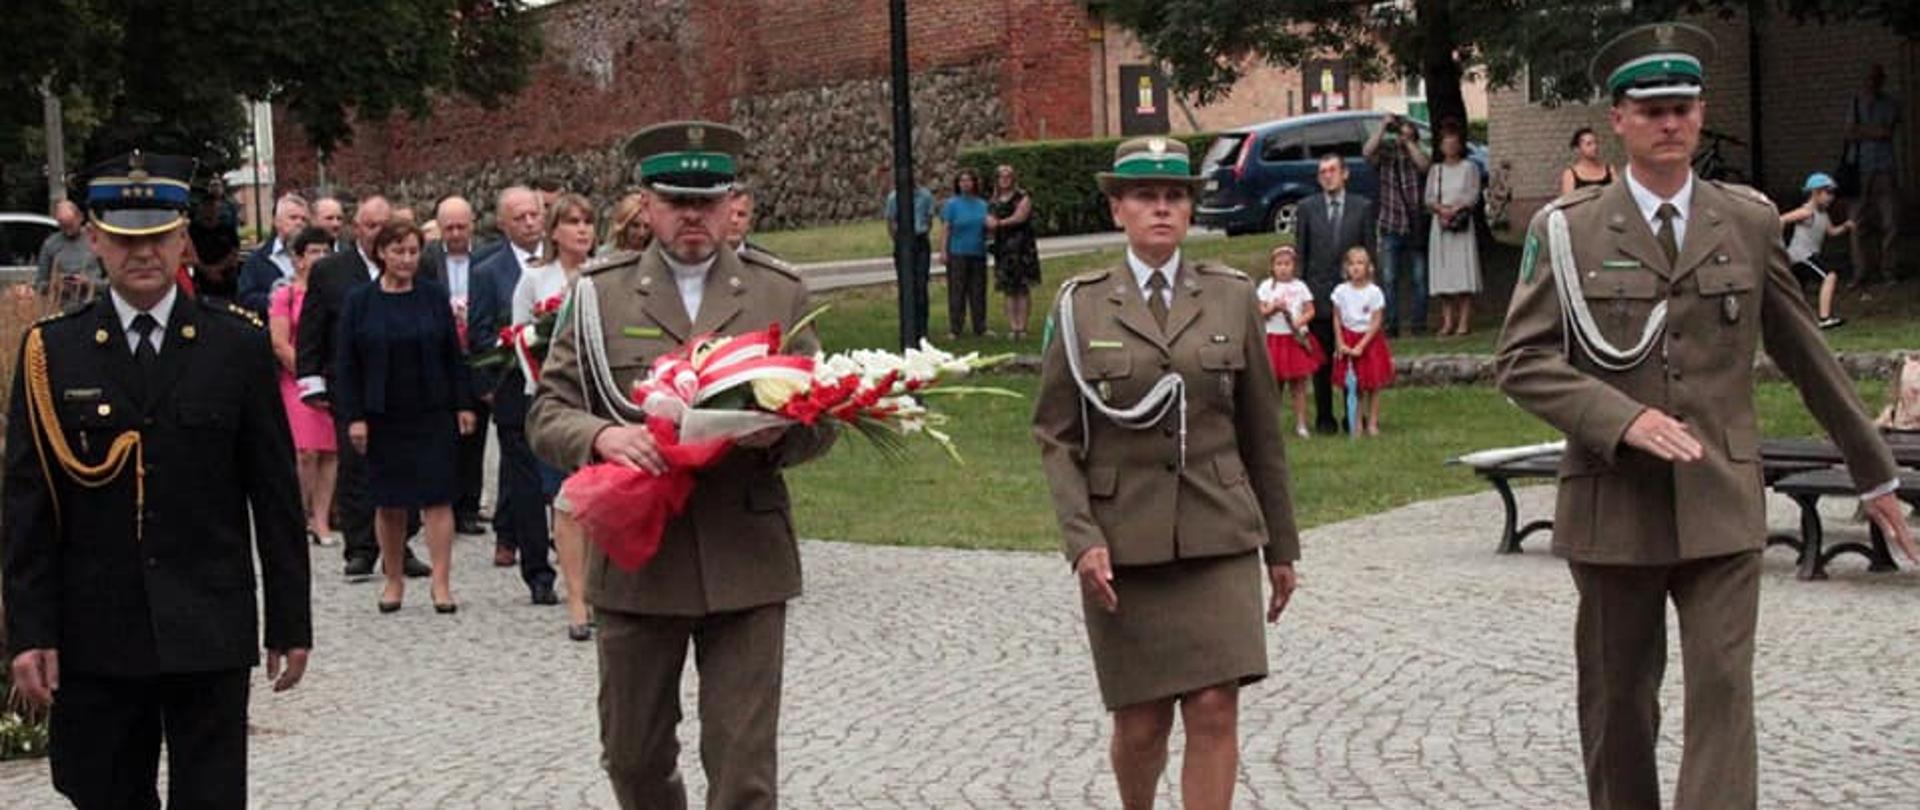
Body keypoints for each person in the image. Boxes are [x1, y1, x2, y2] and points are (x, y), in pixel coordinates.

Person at [1495, 23, 1918, 810]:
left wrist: (1876, 474)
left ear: (1700, 112)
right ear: (1618, 119)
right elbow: (1520, 360)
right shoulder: (1569, 228)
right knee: (1619, 703)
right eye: (1651, 109)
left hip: (1721, 498)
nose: (1671, 123)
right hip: (1613, 498)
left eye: (1684, 107)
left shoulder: (1749, 221)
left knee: (1724, 693)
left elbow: (1808, 358)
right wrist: (1620, 418)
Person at [528, 120, 835, 810]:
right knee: (633, 756)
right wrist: (603, 436)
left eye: (708, 200)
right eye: (676, 201)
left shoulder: (777, 292)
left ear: (733, 205)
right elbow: (548, 412)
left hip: (745, 551)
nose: (693, 216)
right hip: (640, 557)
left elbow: (826, 419)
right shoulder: (599, 293)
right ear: (647, 204)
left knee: (744, 770)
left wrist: (777, 436)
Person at [3, 150, 310, 809]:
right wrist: (30, 630)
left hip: (208, 620)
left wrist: (290, 618)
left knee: (211, 797)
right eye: (123, 239)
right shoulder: (52, 352)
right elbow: (27, 503)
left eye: (157, 238)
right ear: (94, 241)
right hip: (96, 627)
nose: (142, 254)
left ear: (182, 241)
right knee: (103, 791)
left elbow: (275, 494)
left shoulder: (237, 346)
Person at [1033, 136, 1300, 810]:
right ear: (1117, 207)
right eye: (1145, 196)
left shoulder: (1232, 297)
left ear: (1190, 209)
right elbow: (1056, 436)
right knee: (1142, 719)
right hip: (1125, 540)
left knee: (1214, 706)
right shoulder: (1079, 306)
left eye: (1175, 196)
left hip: (1219, 529)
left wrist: (1282, 548)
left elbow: (1262, 433)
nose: (1161, 208)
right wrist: (1081, 538)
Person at [336, 220, 477, 614]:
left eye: (413, 251)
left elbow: (454, 354)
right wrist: (355, 417)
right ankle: (394, 579)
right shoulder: (360, 301)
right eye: (398, 251)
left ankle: (441, 583)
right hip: (382, 414)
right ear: (382, 252)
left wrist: (463, 403)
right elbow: (347, 364)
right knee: (389, 501)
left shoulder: (433, 297)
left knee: (438, 497)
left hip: (431, 410)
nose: (406, 259)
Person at [297, 194, 431, 579]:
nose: (378, 234)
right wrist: (312, 380)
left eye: (384, 226)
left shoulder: (414, 267)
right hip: (349, 383)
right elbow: (313, 327)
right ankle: (360, 546)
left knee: (401, 463)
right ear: (358, 228)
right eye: (371, 226)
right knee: (356, 467)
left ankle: (400, 545)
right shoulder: (332, 271)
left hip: (402, 384)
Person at [511, 192, 597, 637]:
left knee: (601, 498)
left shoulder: (605, 275)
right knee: (565, 500)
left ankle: (601, 586)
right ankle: (577, 599)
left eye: (587, 222)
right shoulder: (535, 278)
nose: (581, 230)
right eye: (572, 222)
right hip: (553, 397)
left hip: (599, 401)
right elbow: (520, 336)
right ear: (555, 231)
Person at [469, 186, 550, 577]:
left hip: (564, 387)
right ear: (503, 224)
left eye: (534, 214)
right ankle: (535, 567)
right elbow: (480, 332)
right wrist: (514, 352)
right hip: (515, 388)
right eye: (520, 217)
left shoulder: (563, 262)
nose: (530, 222)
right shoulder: (488, 272)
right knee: (525, 477)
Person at [1294, 154, 1377, 433]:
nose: (1327, 176)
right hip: (1318, 296)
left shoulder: (1362, 207)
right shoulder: (1307, 208)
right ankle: (1325, 417)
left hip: (1353, 299)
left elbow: (1369, 251)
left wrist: (1370, 291)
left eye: (1332, 170)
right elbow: (1302, 255)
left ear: (1345, 174)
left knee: (1352, 357)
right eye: (1322, 172)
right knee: (1322, 361)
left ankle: (1353, 414)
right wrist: (1302, 299)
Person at [271, 227, 342, 547]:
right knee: (306, 451)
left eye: (326, 251)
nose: (321, 258)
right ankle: (297, 513)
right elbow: (279, 342)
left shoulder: (334, 291)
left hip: (331, 378)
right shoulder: (285, 294)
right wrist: (308, 372)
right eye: (313, 252)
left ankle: (322, 519)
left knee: (330, 452)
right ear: (298, 259)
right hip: (296, 379)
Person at [423, 195, 489, 535]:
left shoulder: (487, 256)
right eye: (448, 227)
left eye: (461, 226)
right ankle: (441, 500)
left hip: (477, 354)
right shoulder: (427, 259)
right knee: (443, 432)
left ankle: (469, 506)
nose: (455, 233)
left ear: (472, 224)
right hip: (442, 354)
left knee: (476, 435)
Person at [1363, 113, 1431, 337]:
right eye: (1400, 133)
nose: (1401, 138)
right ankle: (1391, 325)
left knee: (1419, 278)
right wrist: (1383, 127)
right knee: (1389, 278)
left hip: (1414, 227)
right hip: (1390, 224)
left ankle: (1419, 324)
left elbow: (1424, 165)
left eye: (1407, 133)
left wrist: (1408, 143)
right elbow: (1367, 152)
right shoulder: (1385, 158)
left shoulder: (1417, 155)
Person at [1257, 245, 1321, 438]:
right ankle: (1271, 425)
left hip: (1294, 340)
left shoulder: (1300, 287)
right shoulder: (1266, 287)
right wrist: (1273, 308)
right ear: (1272, 267)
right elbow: (1259, 311)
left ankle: (1301, 424)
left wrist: (1300, 320)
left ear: (1294, 266)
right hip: (1274, 339)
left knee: (1299, 385)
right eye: (1279, 264)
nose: (1283, 268)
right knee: (1273, 386)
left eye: (1287, 264)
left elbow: (1310, 310)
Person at [1845, 63, 1901, 286]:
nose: (1873, 82)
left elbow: (1887, 131)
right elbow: (1849, 133)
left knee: (1890, 221)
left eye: (1877, 78)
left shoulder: (1889, 104)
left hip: (1884, 168)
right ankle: (1860, 272)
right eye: (1870, 78)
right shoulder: (1856, 103)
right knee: (1856, 222)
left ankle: (1889, 270)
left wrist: (1863, 131)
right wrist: (1873, 132)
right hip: (1859, 167)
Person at [1426, 126, 1483, 337]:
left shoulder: (1470, 168)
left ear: (1460, 145)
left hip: (1461, 223)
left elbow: (1474, 194)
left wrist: (1457, 208)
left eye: (1454, 143)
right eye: (1446, 143)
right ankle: (1447, 321)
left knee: (1462, 273)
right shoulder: (1436, 170)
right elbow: (1429, 198)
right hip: (1440, 224)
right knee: (1444, 274)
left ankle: (1464, 321)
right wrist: (1441, 210)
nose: (1450, 147)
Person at [1330, 246, 1394, 434]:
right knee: (1354, 385)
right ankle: (1356, 422)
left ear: (1368, 267)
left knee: (1373, 384)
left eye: (1360, 263)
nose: (1356, 267)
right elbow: (1337, 317)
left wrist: (1361, 345)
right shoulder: (1340, 291)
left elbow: (1376, 320)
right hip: (1348, 337)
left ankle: (1373, 422)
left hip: (1369, 340)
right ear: (1346, 268)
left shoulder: (1374, 292)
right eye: (1352, 264)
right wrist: (1340, 342)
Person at [1782, 172, 1855, 329]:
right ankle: (1824, 317)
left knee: (1796, 292)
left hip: (1807, 256)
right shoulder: (1806, 212)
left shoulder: (1823, 214)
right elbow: (1781, 220)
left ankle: (1790, 323)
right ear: (1815, 193)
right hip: (1801, 255)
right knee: (1829, 276)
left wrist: (1845, 226)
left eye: (1832, 193)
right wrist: (1775, 242)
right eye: (1828, 192)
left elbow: (1831, 232)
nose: (1831, 197)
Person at [987, 164, 1042, 340]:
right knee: (1008, 288)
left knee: (1022, 287)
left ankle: (1023, 326)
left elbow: (1020, 217)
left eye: (1008, 176)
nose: (1005, 179)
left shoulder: (1022, 197)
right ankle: (1013, 327)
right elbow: (988, 218)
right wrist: (990, 224)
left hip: (1022, 247)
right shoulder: (993, 200)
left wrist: (1000, 224)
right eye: (1001, 176)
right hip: (1003, 248)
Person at [937, 168, 991, 339]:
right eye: (962, 181)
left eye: (969, 180)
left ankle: (980, 326)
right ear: (958, 184)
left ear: (974, 183)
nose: (965, 184)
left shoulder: (983, 205)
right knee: (957, 291)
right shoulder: (952, 205)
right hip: (957, 252)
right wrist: (943, 250)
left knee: (978, 291)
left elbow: (988, 229)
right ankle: (955, 328)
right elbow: (946, 229)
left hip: (978, 252)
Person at [236, 193, 312, 315]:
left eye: (304, 219)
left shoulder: (318, 257)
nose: (299, 223)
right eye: (293, 218)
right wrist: (280, 299)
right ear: (277, 222)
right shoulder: (258, 260)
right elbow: (245, 299)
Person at [884, 167, 935, 344]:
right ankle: (908, 327)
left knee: (921, 286)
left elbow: (929, 219)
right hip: (903, 240)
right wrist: (899, 240)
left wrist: (923, 233)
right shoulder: (894, 198)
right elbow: (891, 221)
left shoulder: (925, 196)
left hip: (920, 240)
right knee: (906, 285)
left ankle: (922, 329)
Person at [36, 199, 102, 303]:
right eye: (63, 227)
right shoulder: (50, 244)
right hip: (62, 306)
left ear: (80, 217)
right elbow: (39, 284)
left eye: (70, 225)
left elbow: (114, 282)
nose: (68, 232)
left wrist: (89, 283)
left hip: (94, 303)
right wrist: (55, 285)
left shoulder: (96, 240)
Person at [187, 193, 242, 301]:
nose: (210, 210)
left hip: (226, 281)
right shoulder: (193, 230)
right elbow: (190, 253)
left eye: (213, 207)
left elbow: (234, 251)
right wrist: (207, 270)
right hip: (201, 282)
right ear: (201, 208)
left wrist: (217, 269)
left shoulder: (227, 228)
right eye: (207, 206)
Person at [1559, 127, 1616, 196]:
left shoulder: (1610, 170)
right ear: (1577, 149)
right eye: (1589, 144)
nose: (1594, 147)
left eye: (1596, 142)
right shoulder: (1570, 174)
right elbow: (1568, 204)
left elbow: (1618, 196)